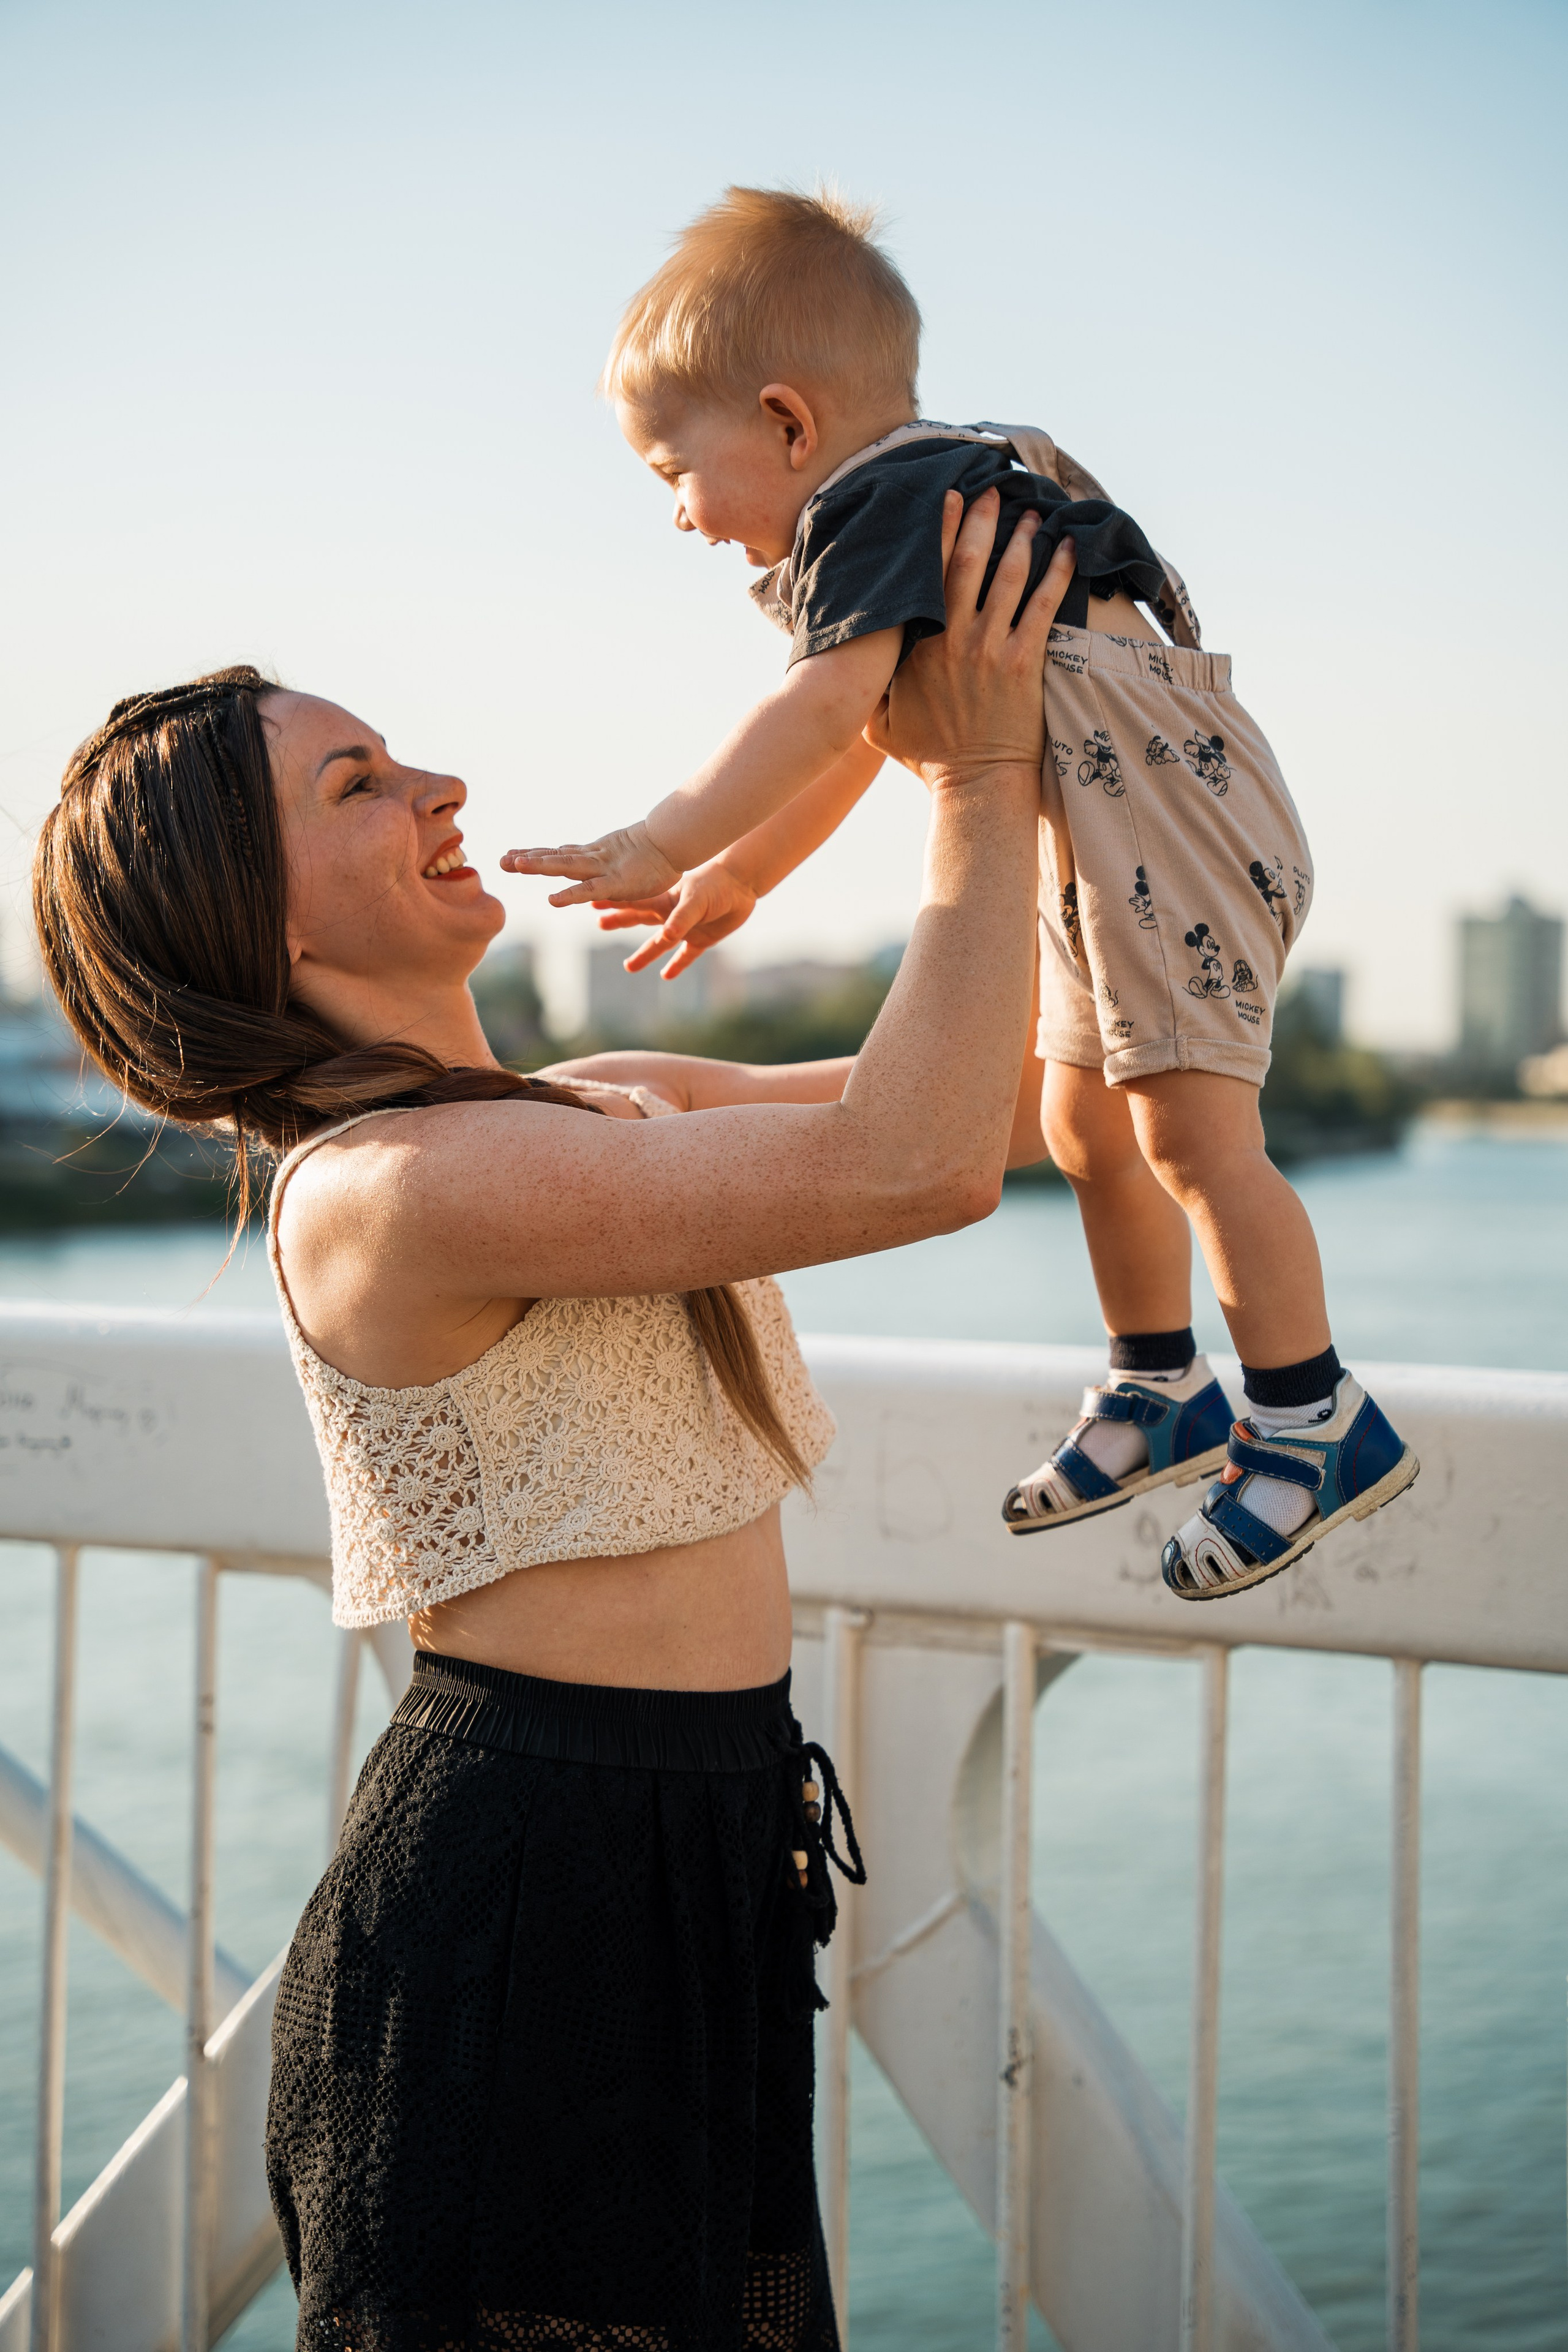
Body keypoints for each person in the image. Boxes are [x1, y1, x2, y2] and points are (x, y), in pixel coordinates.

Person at [32, 497, 1066, 2352]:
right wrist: (975, 788)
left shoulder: (589, 1105)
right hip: (529, 1892)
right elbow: (908, 1167)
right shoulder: (385, 1189)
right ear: (246, 915)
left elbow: (1005, 1105)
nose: (436, 782)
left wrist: (1067, 763)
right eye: (358, 783)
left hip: (698, 1854)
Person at [505, 184, 1419, 1602]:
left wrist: (659, 835)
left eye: (670, 472)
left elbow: (820, 713)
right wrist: (742, 869)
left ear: (787, 423)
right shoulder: (928, 493)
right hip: (1104, 821)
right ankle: (1159, 1386)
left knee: (1188, 1130)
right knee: (1077, 1121)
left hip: (1166, 818)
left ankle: (1312, 1420)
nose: (678, 520)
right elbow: (873, 729)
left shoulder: (879, 497)